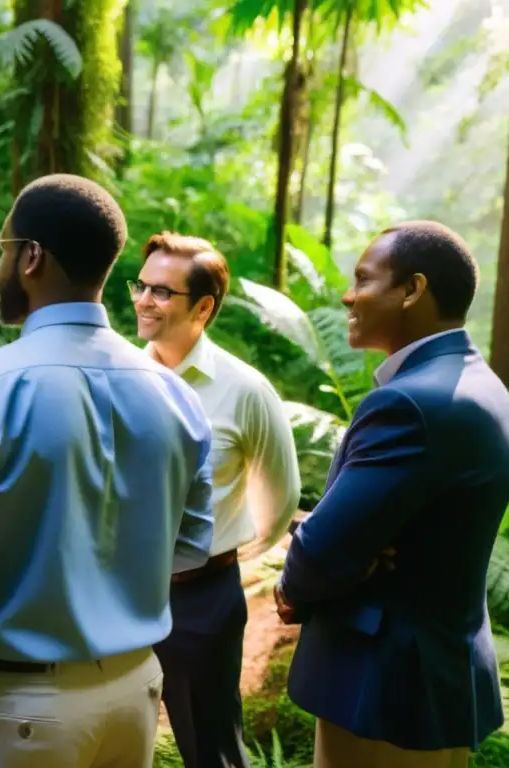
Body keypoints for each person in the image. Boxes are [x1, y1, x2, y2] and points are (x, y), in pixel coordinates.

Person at [0, 174, 216, 768]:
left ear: (32, 257)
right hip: (135, 691)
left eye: (4, 249)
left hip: (24, 706)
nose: (2, 265)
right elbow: (193, 546)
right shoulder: (175, 395)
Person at [275, 221, 509, 768]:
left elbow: (323, 548)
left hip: (385, 688)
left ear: (412, 290)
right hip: (432, 674)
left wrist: (293, 585)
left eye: (363, 278)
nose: (347, 294)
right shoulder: (477, 383)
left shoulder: (411, 404)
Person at [132, 232, 302, 768]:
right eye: (141, 286)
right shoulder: (118, 376)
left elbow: (282, 497)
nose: (143, 300)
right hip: (116, 591)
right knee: (106, 736)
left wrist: (231, 552)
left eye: (162, 292)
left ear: (203, 307)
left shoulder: (245, 390)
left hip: (202, 598)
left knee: (211, 749)